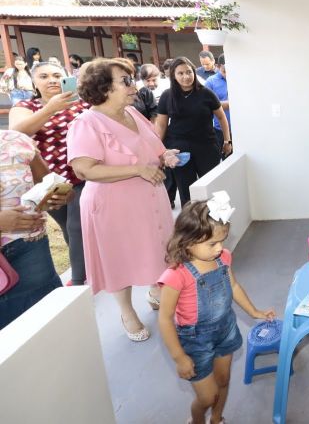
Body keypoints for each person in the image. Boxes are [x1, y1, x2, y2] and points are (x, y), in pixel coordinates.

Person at [67, 57, 180, 341]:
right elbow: (84, 169)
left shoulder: (135, 114)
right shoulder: (86, 123)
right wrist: (136, 169)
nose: (134, 86)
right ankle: (127, 311)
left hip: (149, 199)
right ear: (103, 88)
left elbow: (154, 149)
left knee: (158, 247)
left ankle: (156, 290)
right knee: (120, 258)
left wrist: (164, 157)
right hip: (112, 206)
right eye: (126, 81)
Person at [158, 195, 275, 424]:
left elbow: (233, 285)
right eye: (212, 243)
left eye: (223, 240)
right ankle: (198, 419)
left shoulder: (224, 258)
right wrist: (179, 357)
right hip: (195, 340)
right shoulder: (176, 275)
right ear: (187, 241)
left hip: (226, 329)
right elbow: (164, 319)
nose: (220, 248)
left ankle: (217, 419)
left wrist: (254, 311)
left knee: (223, 380)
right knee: (207, 396)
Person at [9, 60, 90, 286]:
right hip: (47, 181)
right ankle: (88, 266)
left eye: (57, 75)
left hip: (82, 176)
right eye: (44, 76)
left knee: (78, 226)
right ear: (34, 82)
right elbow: (16, 134)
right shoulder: (25, 106)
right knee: (68, 228)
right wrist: (50, 109)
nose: (52, 80)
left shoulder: (81, 104)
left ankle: (78, 280)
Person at [0, 130, 69, 329]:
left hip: (29, 251)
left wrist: (59, 196)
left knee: (46, 325)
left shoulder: (17, 141)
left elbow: (46, 184)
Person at [155, 57, 231, 207]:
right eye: (180, 73)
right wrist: (159, 151)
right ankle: (191, 227)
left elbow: (222, 117)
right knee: (186, 192)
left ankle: (215, 224)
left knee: (211, 188)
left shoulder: (206, 94)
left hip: (207, 147)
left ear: (194, 73)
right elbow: (162, 125)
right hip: (179, 150)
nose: (186, 76)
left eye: (189, 72)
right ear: (173, 76)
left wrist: (227, 141)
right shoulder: (167, 96)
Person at [204, 53, 230, 153]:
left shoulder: (240, 79)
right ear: (218, 67)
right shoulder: (211, 82)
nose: (228, 74)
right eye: (225, 71)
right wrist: (229, 104)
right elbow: (207, 105)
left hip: (240, 129)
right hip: (220, 131)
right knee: (225, 158)